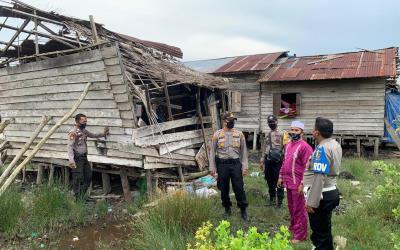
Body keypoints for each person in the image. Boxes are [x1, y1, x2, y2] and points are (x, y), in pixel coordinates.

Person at [305, 117, 341, 250]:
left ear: (316, 133)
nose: (312, 132)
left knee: (320, 233)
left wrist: (311, 202)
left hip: (322, 195)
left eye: (313, 129)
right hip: (331, 191)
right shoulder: (335, 144)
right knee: (324, 229)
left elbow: (319, 176)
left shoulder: (322, 149)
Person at [209, 112, 249, 221]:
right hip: (222, 165)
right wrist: (212, 168)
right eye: (230, 120)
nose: (232, 122)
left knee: (239, 187)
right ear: (224, 121)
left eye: (233, 120)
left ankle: (243, 210)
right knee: (224, 188)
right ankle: (227, 208)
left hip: (235, 164)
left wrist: (244, 167)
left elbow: (244, 152)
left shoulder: (239, 134)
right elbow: (212, 152)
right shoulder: (217, 135)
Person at [278, 121, 313, 244]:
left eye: (296, 130)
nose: (293, 132)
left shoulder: (305, 147)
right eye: (292, 130)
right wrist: (281, 177)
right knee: (291, 207)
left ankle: (300, 235)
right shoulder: (288, 145)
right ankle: (293, 227)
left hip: (298, 184)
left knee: (299, 209)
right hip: (288, 182)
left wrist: (303, 183)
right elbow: (284, 162)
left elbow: (308, 167)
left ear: (302, 132)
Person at [67, 113, 109, 198]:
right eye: (83, 121)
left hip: (84, 157)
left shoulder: (84, 131)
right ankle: (78, 199)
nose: (85, 123)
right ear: (77, 122)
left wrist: (103, 134)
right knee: (78, 178)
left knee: (88, 176)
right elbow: (69, 146)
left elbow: (93, 135)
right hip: (77, 158)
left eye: (86, 121)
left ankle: (81, 197)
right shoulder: (73, 132)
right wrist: (71, 160)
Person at [259, 115, 286, 207]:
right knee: (269, 180)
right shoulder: (267, 134)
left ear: (277, 122)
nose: (271, 124)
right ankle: (272, 200)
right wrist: (262, 160)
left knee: (279, 180)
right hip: (268, 160)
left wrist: (285, 160)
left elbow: (286, 147)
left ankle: (280, 203)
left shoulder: (283, 133)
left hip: (279, 161)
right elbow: (264, 148)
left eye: (273, 122)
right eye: (269, 123)